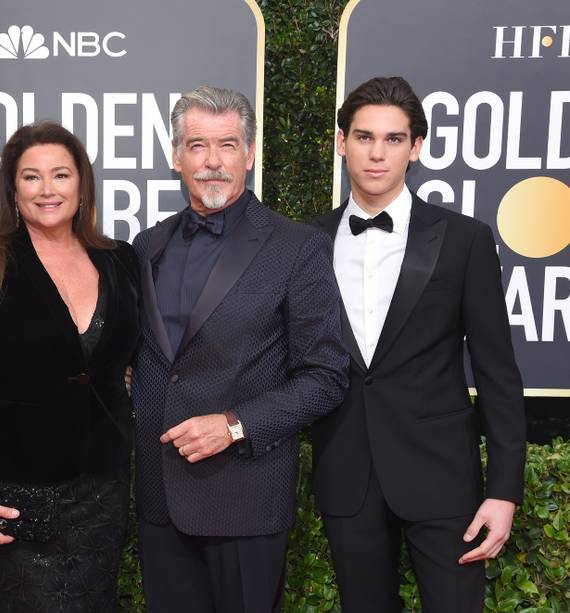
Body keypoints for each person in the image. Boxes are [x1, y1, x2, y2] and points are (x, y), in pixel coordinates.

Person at [130, 85, 349, 613]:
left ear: (250, 154)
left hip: (244, 500)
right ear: (176, 155)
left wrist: (232, 424)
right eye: (198, 145)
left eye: (227, 145)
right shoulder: (146, 245)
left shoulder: (296, 247)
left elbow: (326, 375)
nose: (212, 162)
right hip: (160, 499)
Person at [311, 76, 526, 612]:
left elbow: (498, 374)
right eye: (363, 137)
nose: (376, 154)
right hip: (348, 474)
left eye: (393, 139)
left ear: (416, 147)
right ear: (342, 143)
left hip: (441, 477)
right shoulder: (306, 242)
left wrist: (504, 491)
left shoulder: (464, 240)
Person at [0, 121, 139, 612]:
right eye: (31, 177)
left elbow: (122, 364)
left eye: (61, 175)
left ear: (82, 186)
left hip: (99, 494)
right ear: (12, 189)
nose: (48, 190)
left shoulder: (119, 261)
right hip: (10, 500)